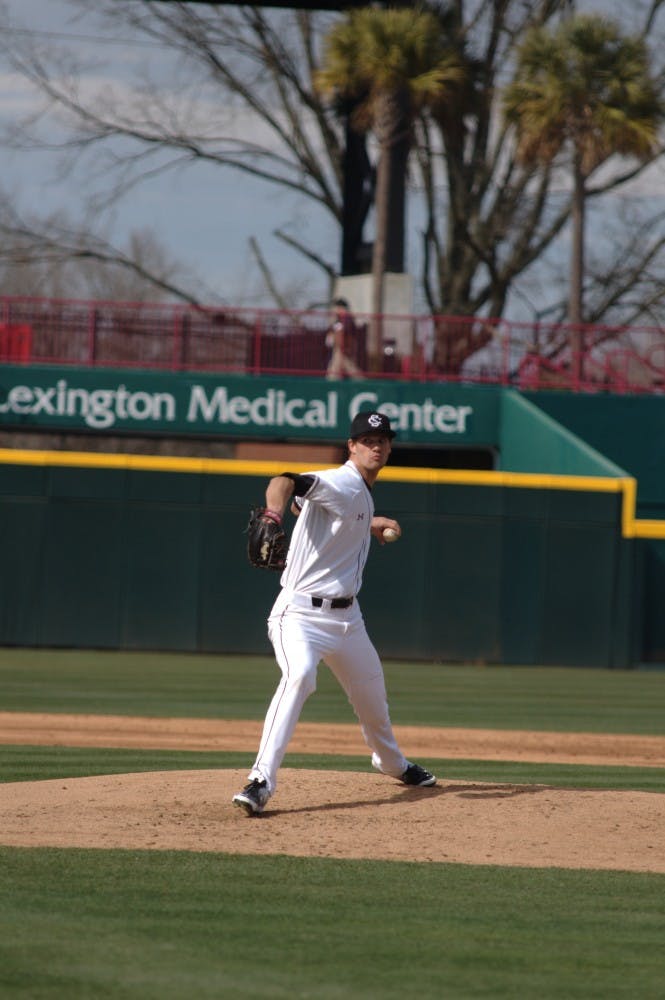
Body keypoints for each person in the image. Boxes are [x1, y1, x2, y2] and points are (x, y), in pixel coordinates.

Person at [233, 409, 437, 816]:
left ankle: (391, 763)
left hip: (348, 621)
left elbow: (312, 508)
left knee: (372, 698)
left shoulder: (358, 491)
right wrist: (272, 514)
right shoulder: (342, 480)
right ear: (352, 446)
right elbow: (285, 482)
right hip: (301, 616)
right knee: (300, 678)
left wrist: (369, 523)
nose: (376, 446)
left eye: (383, 441)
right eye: (368, 441)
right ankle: (260, 781)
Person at [325, 297, 364, 379]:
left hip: (344, 347)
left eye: (338, 308)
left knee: (335, 370)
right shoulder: (339, 319)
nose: (336, 310)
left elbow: (345, 331)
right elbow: (333, 330)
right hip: (339, 347)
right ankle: (362, 382)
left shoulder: (347, 318)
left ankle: (330, 384)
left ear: (343, 308)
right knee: (348, 368)